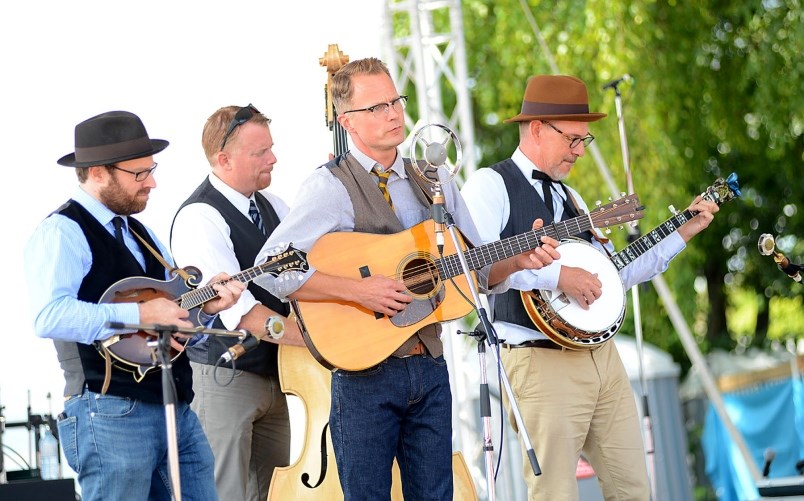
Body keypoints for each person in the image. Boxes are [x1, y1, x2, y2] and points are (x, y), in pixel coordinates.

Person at [251, 57, 559, 501]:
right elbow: (272, 268)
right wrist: (359, 290)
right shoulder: (330, 186)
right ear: (348, 122)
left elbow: (474, 271)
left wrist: (518, 259)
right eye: (377, 107)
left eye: (396, 101)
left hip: (430, 365)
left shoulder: (433, 178)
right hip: (363, 377)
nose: (394, 113)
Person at [460, 74, 720, 501]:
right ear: (539, 129)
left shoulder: (573, 198)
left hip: (603, 360)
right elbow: (476, 270)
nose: (580, 151)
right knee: (556, 494)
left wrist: (682, 233)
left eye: (586, 140)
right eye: (573, 140)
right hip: (539, 364)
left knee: (634, 489)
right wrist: (557, 276)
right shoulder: (490, 185)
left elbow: (612, 276)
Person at [24, 110, 245, 501]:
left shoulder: (141, 233)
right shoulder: (62, 231)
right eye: (139, 174)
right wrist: (139, 315)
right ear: (97, 173)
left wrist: (205, 310)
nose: (152, 183)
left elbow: (171, 320)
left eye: (151, 170)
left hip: (175, 409)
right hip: (109, 412)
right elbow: (49, 316)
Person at [170, 104, 306, 501]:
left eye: (271, 148)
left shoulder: (276, 205)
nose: (273, 158)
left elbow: (306, 276)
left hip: (278, 376)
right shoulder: (200, 216)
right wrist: (319, 343)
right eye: (260, 152)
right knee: (223, 493)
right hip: (224, 380)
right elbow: (242, 313)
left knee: (272, 492)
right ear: (222, 159)